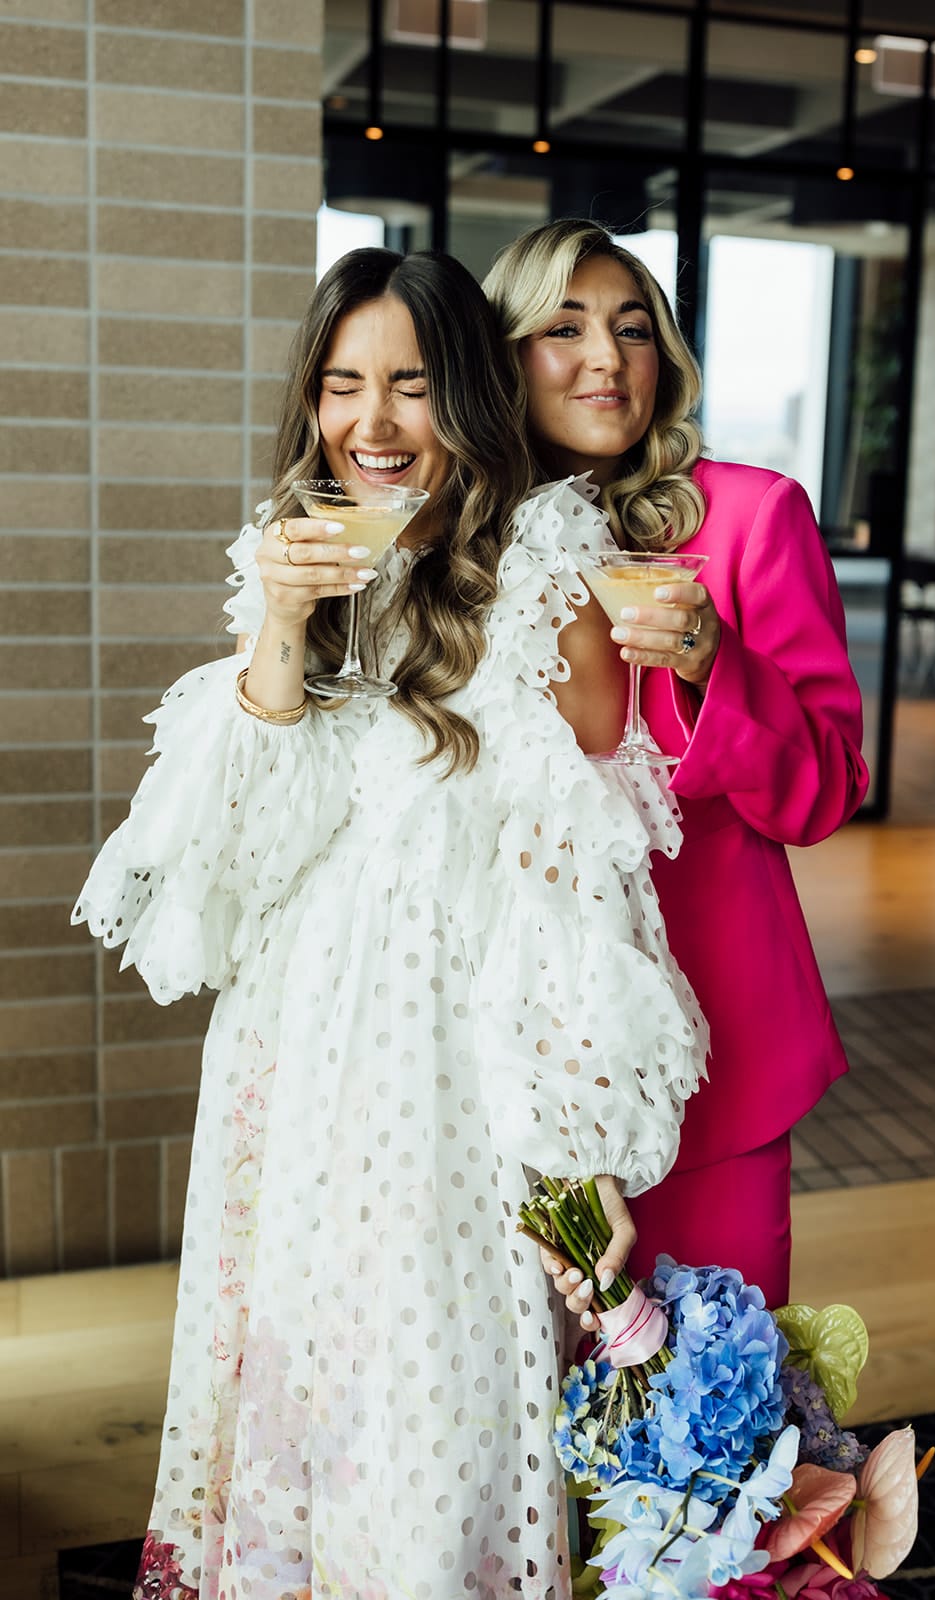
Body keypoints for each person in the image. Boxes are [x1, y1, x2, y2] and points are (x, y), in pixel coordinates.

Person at [72, 247, 708, 1599]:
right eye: (341, 384)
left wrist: (576, 1148)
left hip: (447, 1077)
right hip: (293, 1055)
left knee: (431, 1419)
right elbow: (232, 860)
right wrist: (282, 622)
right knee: (294, 1398)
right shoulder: (299, 562)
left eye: (410, 386)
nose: (371, 422)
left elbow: (573, 878)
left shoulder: (547, 576)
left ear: (466, 396)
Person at [484, 219, 869, 1321]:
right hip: (511, 1048)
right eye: (564, 328)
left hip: (710, 1050)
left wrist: (712, 665)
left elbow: (828, 787)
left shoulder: (750, 519)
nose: (605, 359)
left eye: (632, 329)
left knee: (700, 1390)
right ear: (502, 355)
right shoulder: (466, 543)